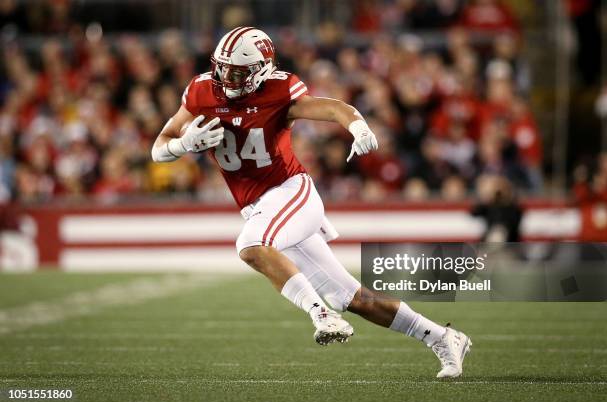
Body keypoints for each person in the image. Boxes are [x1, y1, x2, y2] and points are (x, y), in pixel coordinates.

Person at [151, 27, 471, 378]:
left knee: (251, 244)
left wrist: (359, 128)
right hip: (260, 207)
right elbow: (159, 146)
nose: (226, 78)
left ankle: (320, 315)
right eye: (222, 68)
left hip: (290, 192)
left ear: (261, 69)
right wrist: (183, 145)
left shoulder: (278, 89)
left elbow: (335, 109)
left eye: (237, 71)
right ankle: (442, 337)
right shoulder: (201, 90)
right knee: (352, 298)